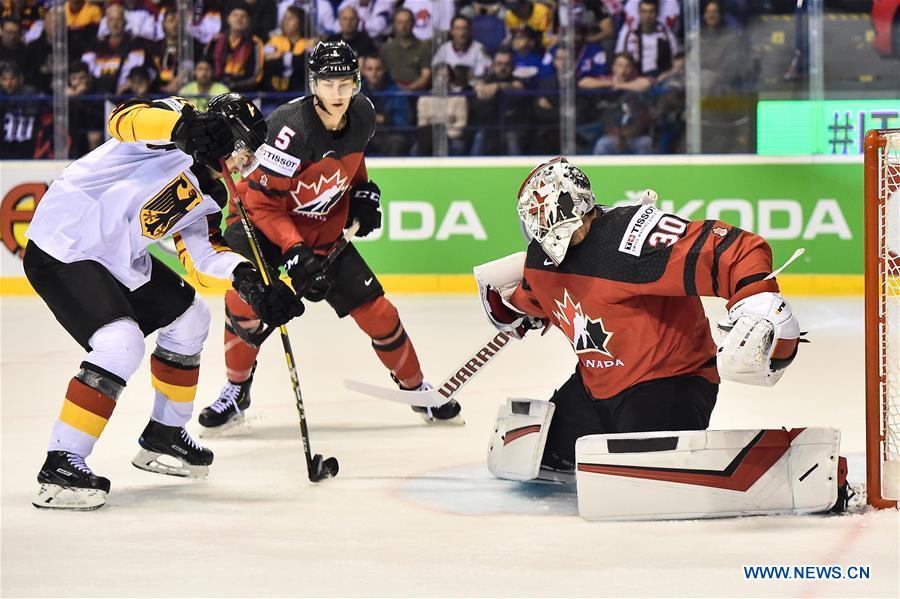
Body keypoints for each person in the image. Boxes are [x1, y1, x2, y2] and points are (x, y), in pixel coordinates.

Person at [24, 93, 303, 510]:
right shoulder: (174, 120)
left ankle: (164, 436)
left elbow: (202, 258)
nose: (247, 164)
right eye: (244, 151)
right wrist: (183, 129)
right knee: (121, 343)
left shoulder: (212, 193)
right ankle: (61, 462)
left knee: (191, 318)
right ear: (224, 135)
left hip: (117, 258)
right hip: (65, 242)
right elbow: (124, 119)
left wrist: (248, 282)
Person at [478, 157, 801, 476]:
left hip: (671, 383)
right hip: (595, 390)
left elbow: (734, 249)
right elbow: (535, 299)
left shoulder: (632, 238)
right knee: (533, 461)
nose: (560, 239)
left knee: (648, 473)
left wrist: (756, 297)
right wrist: (511, 307)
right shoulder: (539, 261)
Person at [200, 41, 463, 432]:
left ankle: (416, 389)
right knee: (244, 303)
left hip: (318, 228)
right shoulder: (291, 130)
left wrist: (361, 193)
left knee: (381, 313)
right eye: (327, 84)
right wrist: (294, 251)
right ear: (314, 84)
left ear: (356, 82)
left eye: (344, 84)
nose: (336, 94)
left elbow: (351, 159)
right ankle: (236, 390)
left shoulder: (362, 113)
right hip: (259, 226)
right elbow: (264, 205)